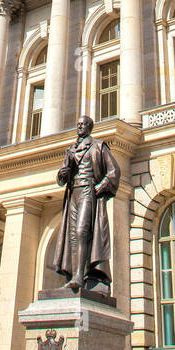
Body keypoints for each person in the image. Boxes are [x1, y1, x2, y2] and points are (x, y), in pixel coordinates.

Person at [52, 115, 120, 292]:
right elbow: (61, 178)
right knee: (73, 234)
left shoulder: (98, 146)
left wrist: (101, 186)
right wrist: (63, 173)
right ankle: (74, 275)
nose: (80, 127)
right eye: (78, 124)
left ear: (90, 127)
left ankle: (79, 276)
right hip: (73, 192)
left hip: (88, 191)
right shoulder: (71, 150)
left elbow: (114, 171)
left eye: (83, 124)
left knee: (82, 230)